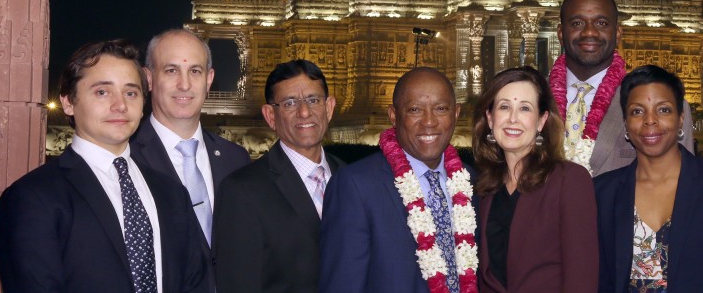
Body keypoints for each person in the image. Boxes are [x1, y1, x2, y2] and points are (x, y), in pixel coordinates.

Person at [0, 40, 208, 293]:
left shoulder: (171, 192)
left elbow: (196, 282)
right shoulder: (31, 197)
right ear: (68, 102)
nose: (120, 105)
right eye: (102, 92)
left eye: (131, 93)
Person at [595, 65, 703, 292]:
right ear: (626, 125)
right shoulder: (604, 193)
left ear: (680, 120)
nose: (650, 120)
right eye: (637, 111)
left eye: (663, 110)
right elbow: (601, 281)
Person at [319, 67, 478, 293]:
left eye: (441, 108)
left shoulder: (472, 182)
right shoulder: (355, 186)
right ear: (393, 115)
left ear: (456, 113)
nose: (429, 121)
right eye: (415, 109)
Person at [212, 60, 344, 293]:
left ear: (329, 108)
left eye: (313, 100)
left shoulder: (350, 178)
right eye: (290, 103)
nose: (304, 112)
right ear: (270, 116)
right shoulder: (242, 191)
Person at [130, 29, 250, 282]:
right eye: (171, 70)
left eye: (195, 71)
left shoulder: (236, 160)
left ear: (209, 79)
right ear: (148, 78)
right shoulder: (125, 160)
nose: (184, 84)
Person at [472, 67, 597, 292]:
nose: (513, 118)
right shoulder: (483, 188)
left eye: (525, 108)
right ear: (490, 119)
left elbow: (581, 278)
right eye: (504, 107)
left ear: (542, 121)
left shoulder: (569, 181)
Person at [550, 0, 694, 176]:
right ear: (560, 33)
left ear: (618, 33)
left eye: (601, 23)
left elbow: (686, 184)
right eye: (577, 23)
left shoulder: (665, 106)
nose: (589, 33)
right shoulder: (530, 98)